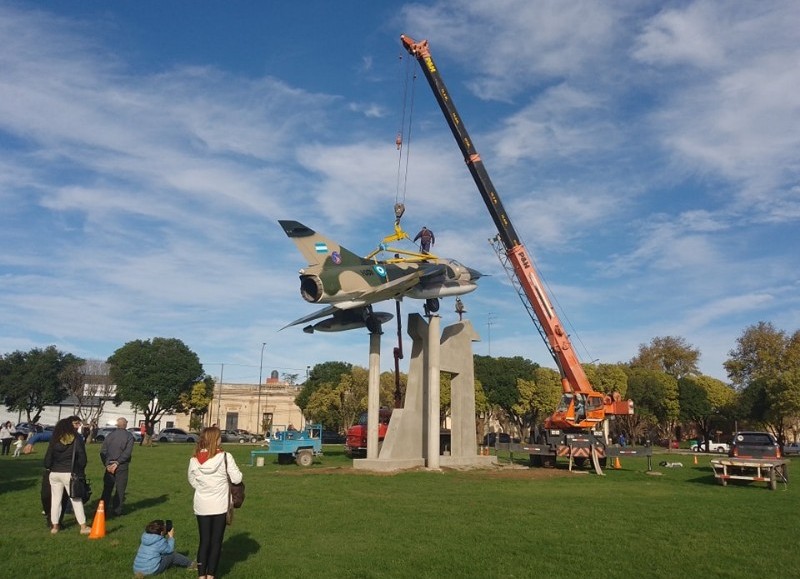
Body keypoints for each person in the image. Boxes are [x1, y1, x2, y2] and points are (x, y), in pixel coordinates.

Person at [188, 426, 243, 579]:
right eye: (219, 437)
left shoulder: (194, 459)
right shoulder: (225, 457)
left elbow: (192, 480)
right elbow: (237, 478)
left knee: (204, 541)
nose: (221, 439)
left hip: (201, 505)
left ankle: (201, 575)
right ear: (215, 439)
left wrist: (204, 487)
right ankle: (211, 575)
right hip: (219, 505)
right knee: (216, 542)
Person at [43, 417, 91, 534]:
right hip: (70, 472)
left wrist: (50, 467)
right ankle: (83, 527)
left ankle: (55, 526)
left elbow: (48, 459)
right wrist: (79, 470)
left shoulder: (55, 439)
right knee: (76, 499)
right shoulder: (76, 439)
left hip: (54, 473)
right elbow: (82, 458)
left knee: (55, 500)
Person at [100, 417, 135, 517]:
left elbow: (103, 451)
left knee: (107, 489)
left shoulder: (110, 435)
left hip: (109, 464)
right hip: (122, 465)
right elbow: (127, 453)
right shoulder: (129, 436)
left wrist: (107, 464)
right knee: (120, 489)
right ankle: (117, 511)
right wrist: (117, 463)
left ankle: (102, 509)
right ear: (126, 425)